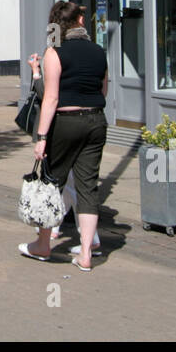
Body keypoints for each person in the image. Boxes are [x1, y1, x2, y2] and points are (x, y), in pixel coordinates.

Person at [19, 1, 109, 271]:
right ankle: (85, 255)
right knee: (88, 187)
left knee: (52, 182)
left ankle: (43, 245)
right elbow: (103, 90)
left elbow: (51, 98)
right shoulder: (98, 51)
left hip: (66, 122)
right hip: (96, 121)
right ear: (79, 22)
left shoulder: (54, 53)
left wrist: (42, 137)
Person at [29, 50, 101, 257]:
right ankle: (82, 242)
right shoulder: (92, 59)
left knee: (60, 184)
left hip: (61, 129)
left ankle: (52, 237)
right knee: (76, 186)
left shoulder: (58, 58)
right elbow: (102, 91)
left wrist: (35, 73)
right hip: (91, 123)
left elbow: (48, 97)